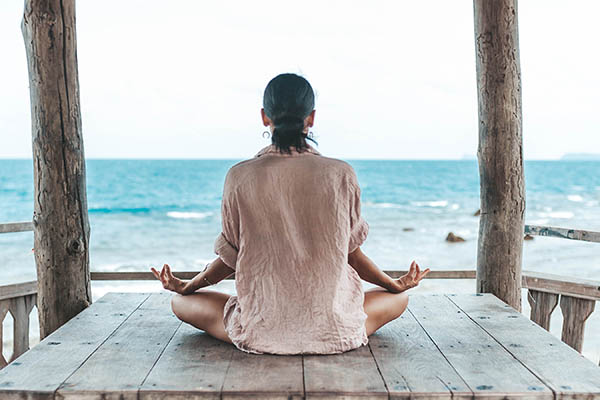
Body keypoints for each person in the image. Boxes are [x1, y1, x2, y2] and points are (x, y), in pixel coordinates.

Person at [150, 73, 430, 355]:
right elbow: (352, 255)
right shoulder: (341, 174)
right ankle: (328, 328)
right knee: (399, 299)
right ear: (311, 118)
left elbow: (230, 260)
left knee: (179, 303)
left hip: (260, 330)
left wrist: (188, 286)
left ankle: (272, 329)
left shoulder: (239, 176)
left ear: (264, 117)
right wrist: (393, 284)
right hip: (332, 330)